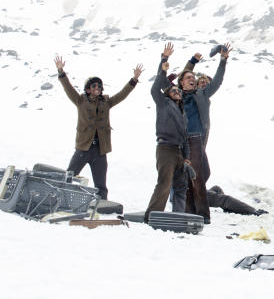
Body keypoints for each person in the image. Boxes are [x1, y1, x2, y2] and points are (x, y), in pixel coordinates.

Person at [53, 55, 143, 200]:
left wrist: (134, 80)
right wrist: (61, 71)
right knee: (69, 175)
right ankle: (58, 199)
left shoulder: (106, 102)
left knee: (101, 184)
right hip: (83, 147)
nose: (98, 88)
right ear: (88, 89)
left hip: (100, 150)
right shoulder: (80, 100)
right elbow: (68, 88)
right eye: (94, 85)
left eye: (100, 86)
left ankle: (101, 206)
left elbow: (122, 95)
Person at [175, 45, 231, 221]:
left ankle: (198, 212)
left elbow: (217, 81)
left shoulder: (202, 94)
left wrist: (223, 60)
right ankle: (194, 213)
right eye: (189, 78)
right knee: (190, 177)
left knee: (200, 175)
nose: (192, 79)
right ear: (182, 82)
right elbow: (181, 75)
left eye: (194, 78)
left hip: (195, 139)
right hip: (181, 141)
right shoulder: (175, 95)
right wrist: (191, 62)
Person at [146, 43, 192, 220]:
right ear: (168, 94)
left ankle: (178, 215)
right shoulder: (163, 104)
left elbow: (185, 137)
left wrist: (186, 155)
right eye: (173, 90)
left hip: (179, 150)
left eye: (178, 90)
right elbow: (154, 88)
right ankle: (152, 215)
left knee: (181, 185)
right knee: (164, 183)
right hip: (165, 148)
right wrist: (164, 62)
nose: (177, 92)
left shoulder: (182, 113)